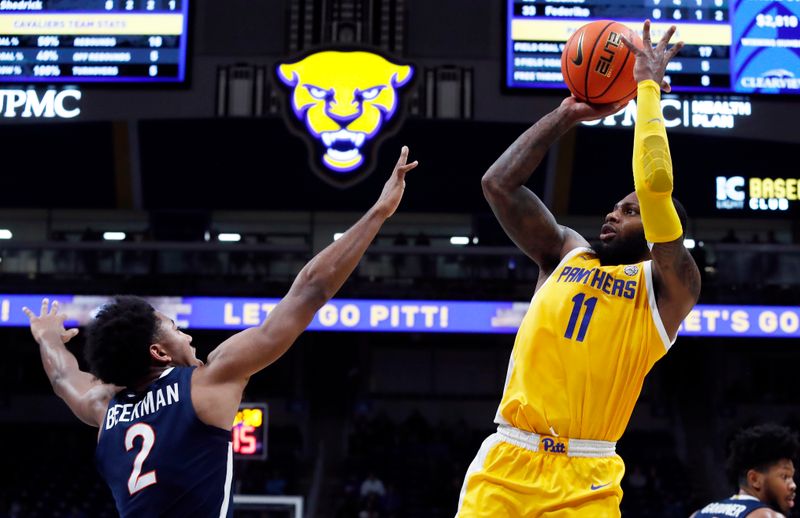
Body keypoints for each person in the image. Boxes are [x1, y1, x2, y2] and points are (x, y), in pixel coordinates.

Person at [23, 147, 418, 517]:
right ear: (159, 352)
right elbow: (310, 290)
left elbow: (63, 377)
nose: (189, 337)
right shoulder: (208, 380)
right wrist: (379, 212)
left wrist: (48, 338)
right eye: (175, 329)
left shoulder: (103, 408)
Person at [455, 21, 700, 516]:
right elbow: (498, 184)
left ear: (655, 230)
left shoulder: (667, 287)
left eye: (629, 212)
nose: (613, 213)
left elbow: (655, 184)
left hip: (587, 477)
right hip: (506, 462)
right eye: (615, 206)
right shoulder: (566, 252)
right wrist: (566, 113)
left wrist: (647, 88)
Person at [691, 423, 798, 518]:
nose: (793, 485)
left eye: (792, 477)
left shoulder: (698, 514)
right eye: (784, 477)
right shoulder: (768, 516)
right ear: (754, 479)